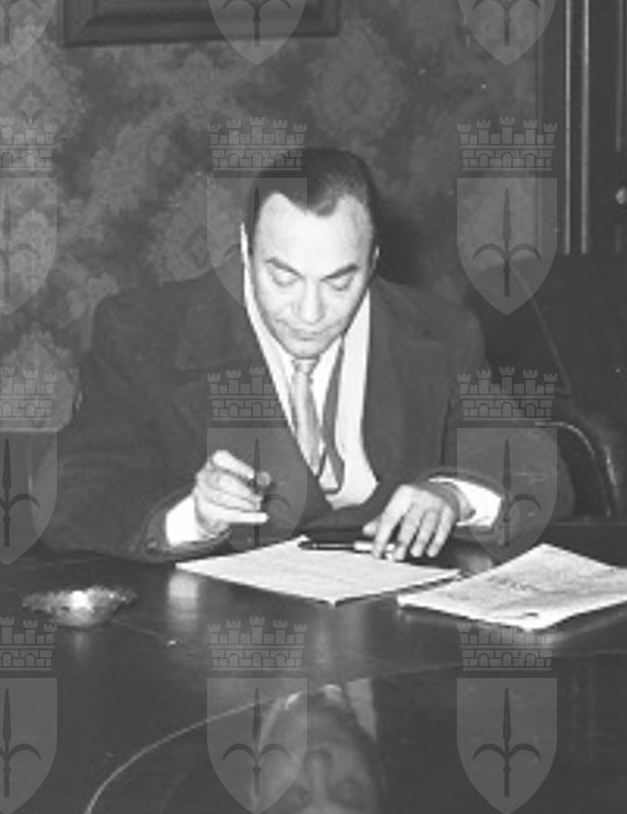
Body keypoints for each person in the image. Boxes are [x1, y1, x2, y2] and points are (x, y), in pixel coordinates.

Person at [46, 147, 501, 560]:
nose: (309, 312)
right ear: (246, 248)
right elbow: (70, 490)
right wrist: (194, 517)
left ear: (373, 260)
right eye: (284, 278)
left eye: (339, 283)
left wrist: (454, 496)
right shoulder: (144, 331)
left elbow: (525, 463)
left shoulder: (443, 333)